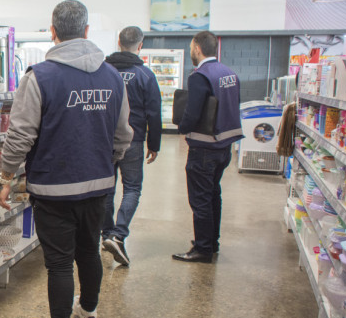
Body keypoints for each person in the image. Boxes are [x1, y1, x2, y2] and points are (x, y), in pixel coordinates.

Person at [0, 0, 133, 318]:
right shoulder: (112, 77)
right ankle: (88, 314)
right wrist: (109, 163)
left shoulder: (40, 76)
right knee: (89, 251)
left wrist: (6, 177)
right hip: (99, 185)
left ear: (53, 32)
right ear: (86, 32)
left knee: (59, 263)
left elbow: (20, 136)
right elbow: (123, 134)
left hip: (54, 189)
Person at [173, 31, 243, 263]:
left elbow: (192, 113)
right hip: (224, 147)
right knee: (213, 194)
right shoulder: (229, 73)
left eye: (192, 46)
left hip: (204, 148)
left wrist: (181, 126)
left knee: (200, 199)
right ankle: (212, 242)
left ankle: (202, 249)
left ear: (198, 48)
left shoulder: (200, 76)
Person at [100, 26, 162, 266]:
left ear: (118, 42)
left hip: (105, 140)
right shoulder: (145, 75)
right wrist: (154, 144)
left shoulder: (104, 71)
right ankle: (118, 233)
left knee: (107, 187)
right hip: (134, 140)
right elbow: (154, 113)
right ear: (140, 45)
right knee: (133, 188)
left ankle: (106, 234)